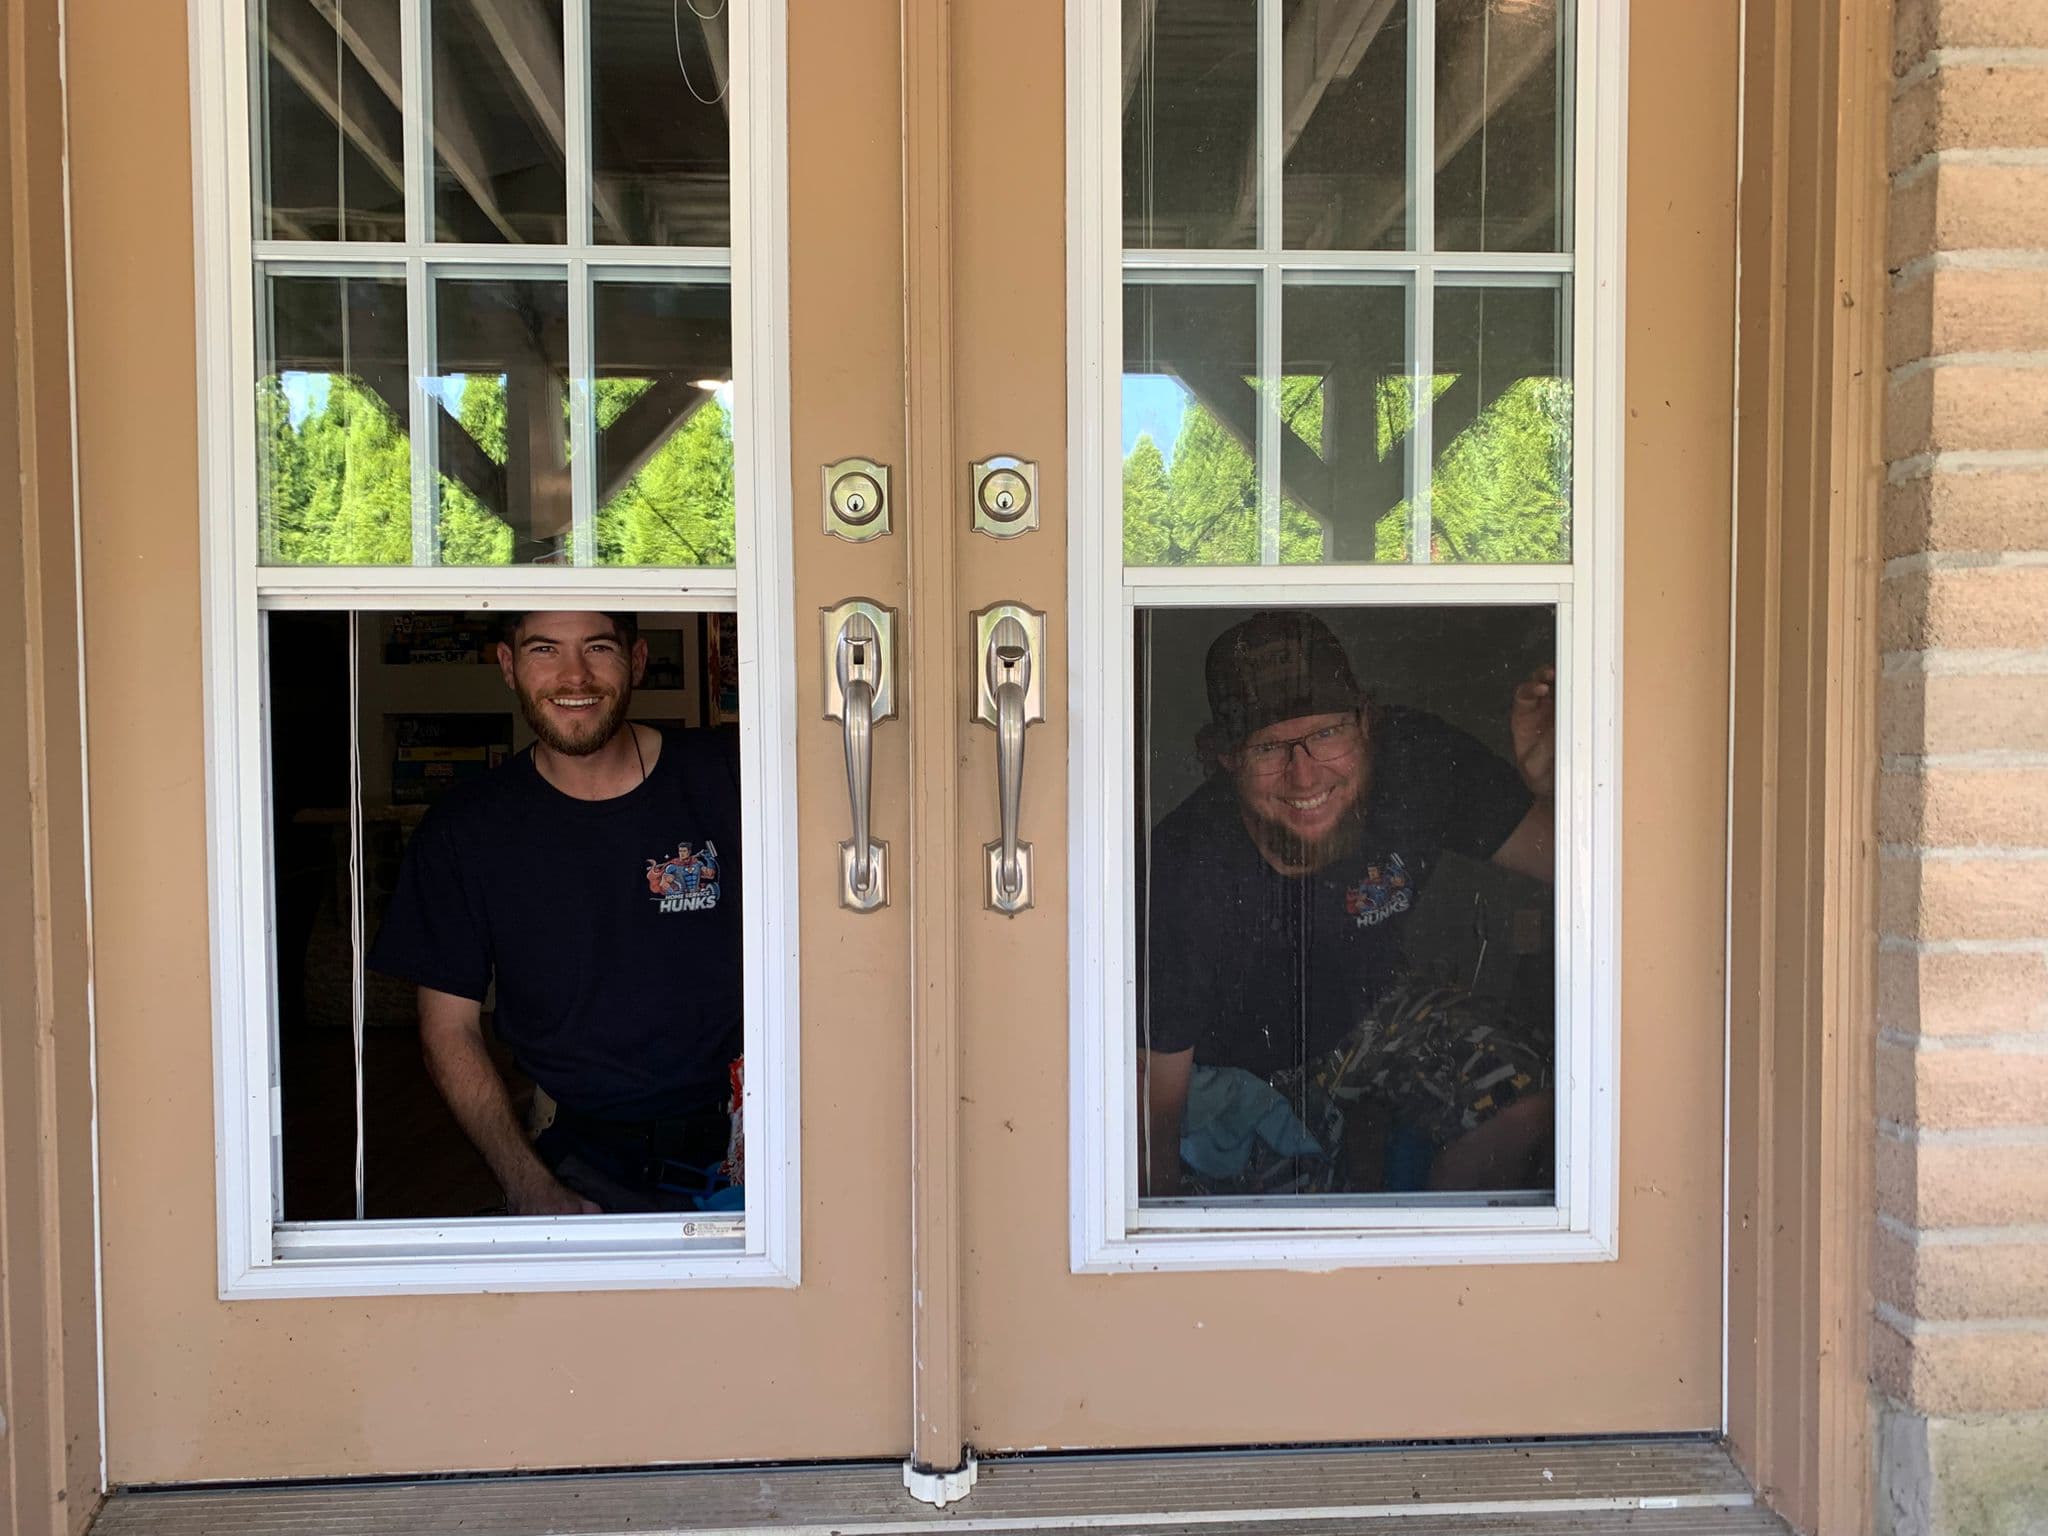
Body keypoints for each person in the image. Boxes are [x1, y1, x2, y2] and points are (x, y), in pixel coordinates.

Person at [1136, 610, 1555, 1197]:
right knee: (1285, 1231)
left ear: (1365, 722)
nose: (1305, 775)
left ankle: (1442, 1277)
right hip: (1231, 1065)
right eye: (1269, 746)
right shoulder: (1186, 869)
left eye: (1327, 733)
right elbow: (1159, 1091)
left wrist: (1556, 782)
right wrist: (1156, 1205)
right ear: (1225, 757)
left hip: (1370, 1009)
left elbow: (1573, 863)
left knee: (1520, 1089)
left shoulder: (1418, 762)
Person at [368, 611, 743, 1215]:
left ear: (638, 660)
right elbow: (448, 1028)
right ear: (508, 665)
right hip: (577, 1158)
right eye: (545, 649)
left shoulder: (732, 777)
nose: (575, 676)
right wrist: (527, 1182)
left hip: (756, 1138)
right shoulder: (466, 829)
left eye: (598, 647)